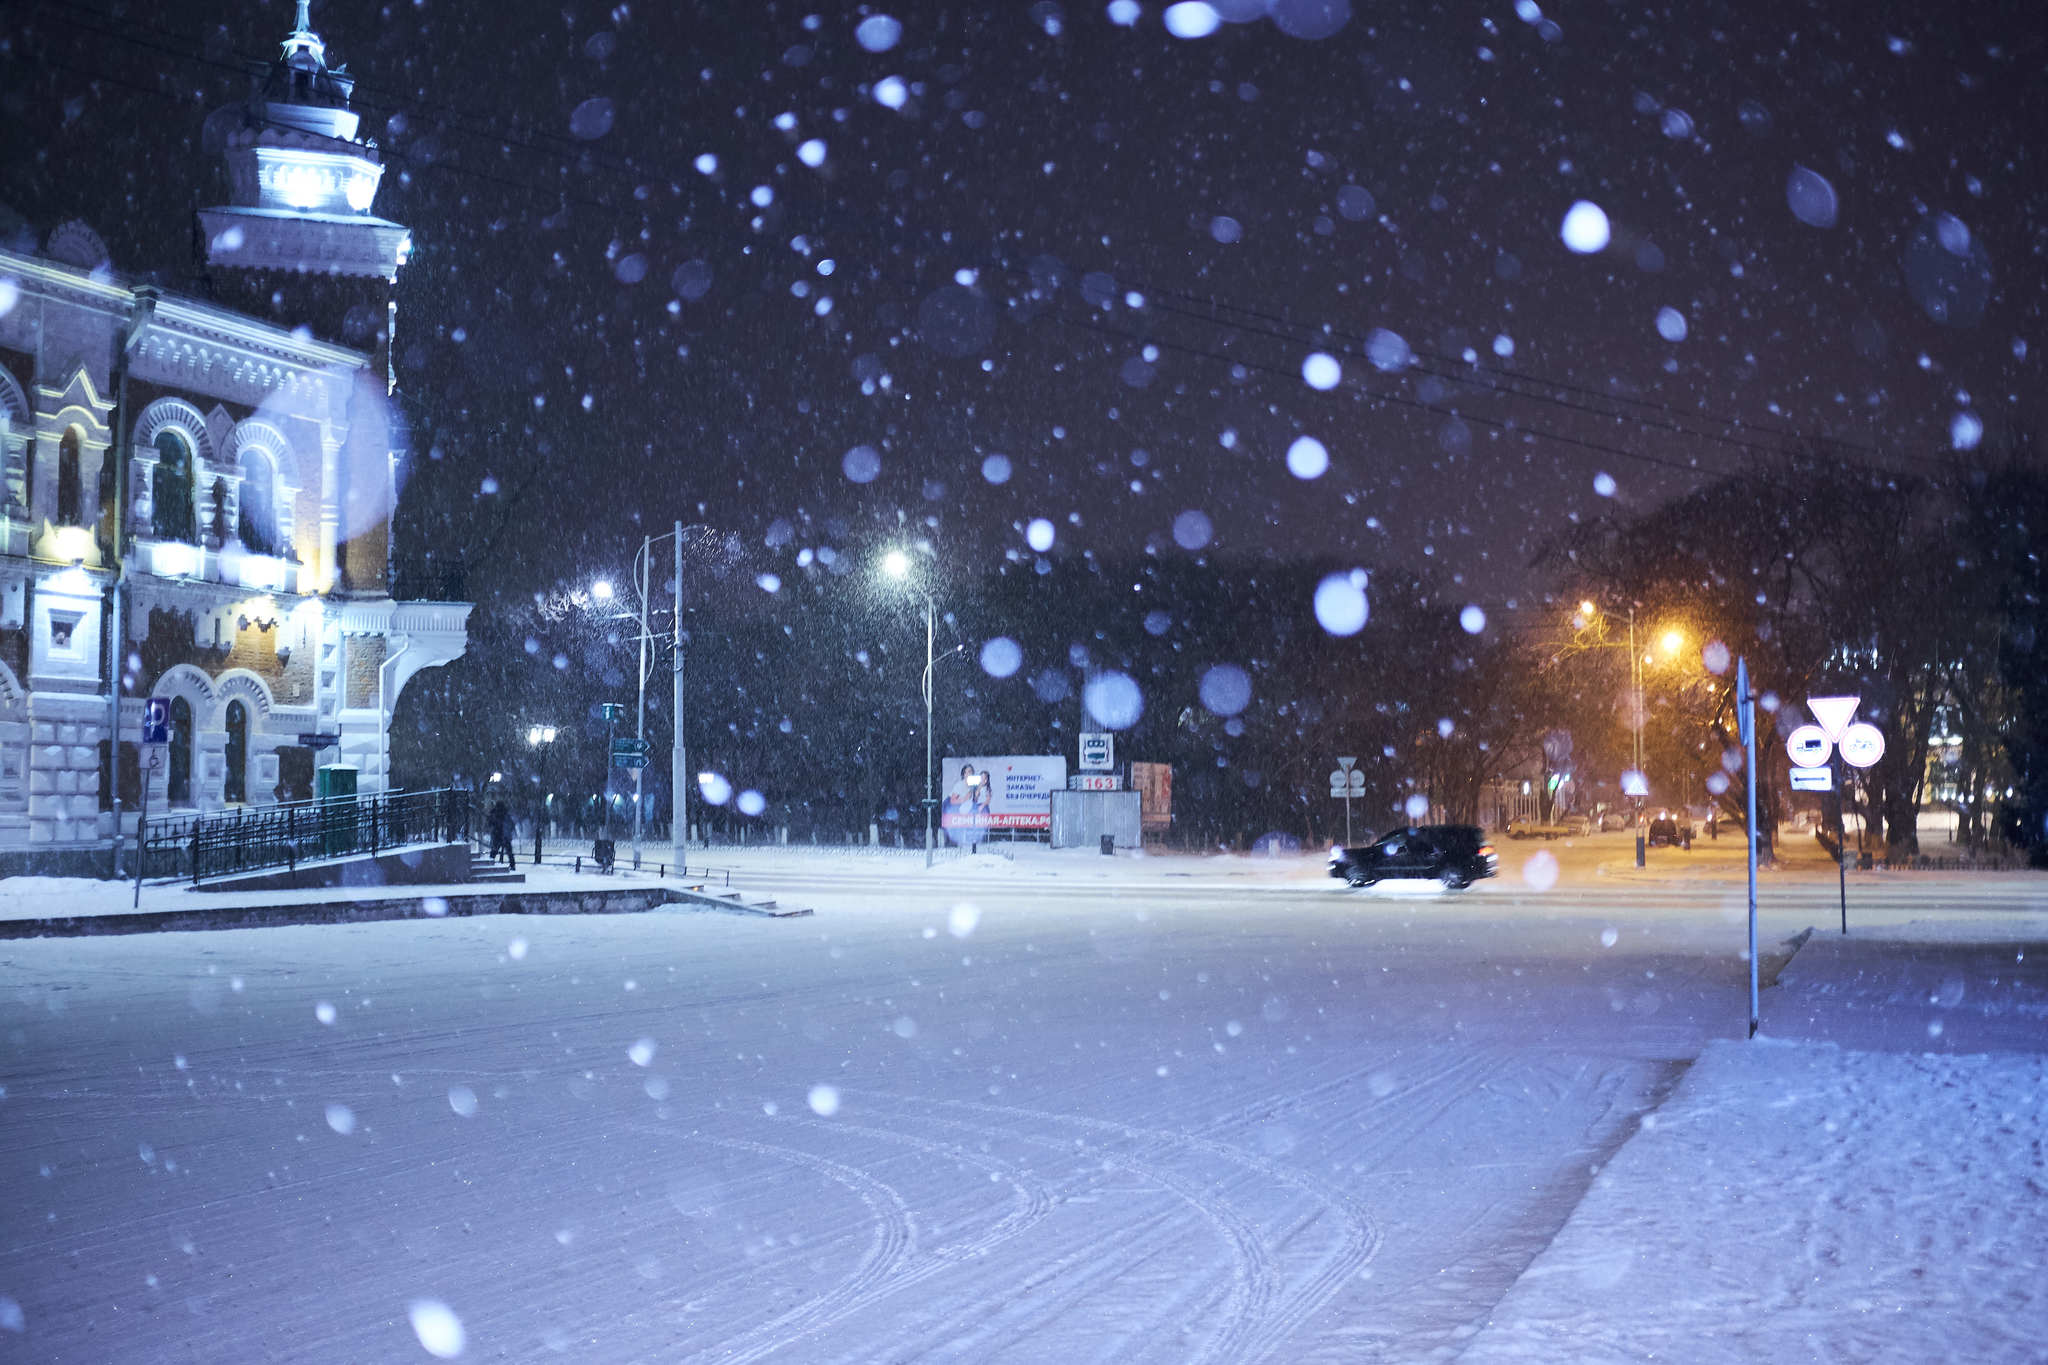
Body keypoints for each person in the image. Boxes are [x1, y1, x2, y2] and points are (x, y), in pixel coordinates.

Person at [487, 799, 516, 869]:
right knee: (509, 852)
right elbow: (511, 825)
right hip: (504, 835)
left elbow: (489, 824)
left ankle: (489, 865)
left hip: (498, 835)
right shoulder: (505, 814)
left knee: (494, 852)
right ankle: (512, 866)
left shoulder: (494, 814)